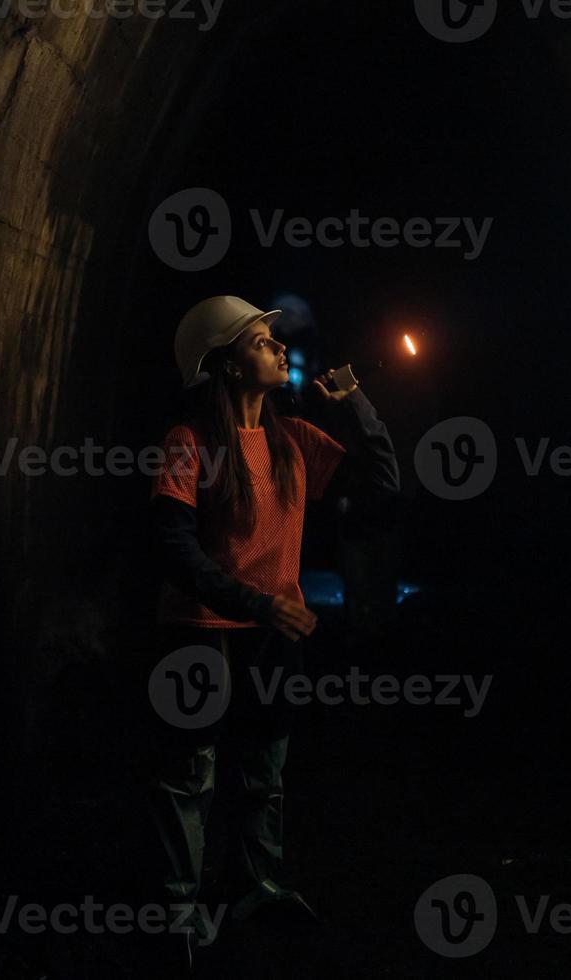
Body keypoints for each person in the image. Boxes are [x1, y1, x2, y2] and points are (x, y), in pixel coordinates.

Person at [146, 295, 399, 966]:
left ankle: (256, 886)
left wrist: (355, 404)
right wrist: (256, 604)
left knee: (264, 770)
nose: (279, 349)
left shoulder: (289, 440)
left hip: (268, 630)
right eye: (261, 342)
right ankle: (179, 914)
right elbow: (173, 547)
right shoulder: (189, 442)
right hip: (202, 629)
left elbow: (383, 484)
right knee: (190, 774)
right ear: (226, 366)